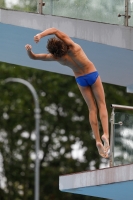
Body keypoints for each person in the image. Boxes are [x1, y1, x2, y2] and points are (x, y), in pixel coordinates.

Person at [25, 27, 109, 158]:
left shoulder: (56, 58)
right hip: (92, 73)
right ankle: (106, 134)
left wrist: (29, 51)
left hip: (81, 79)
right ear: (62, 42)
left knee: (92, 109)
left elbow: (35, 57)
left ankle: (98, 140)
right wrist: (40, 35)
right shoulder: (72, 46)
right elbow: (54, 30)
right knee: (101, 104)